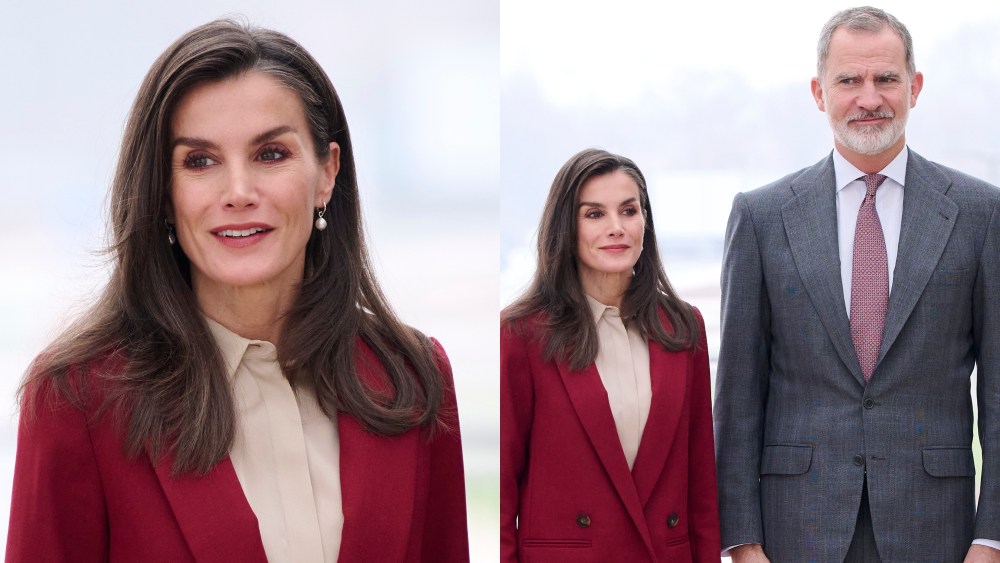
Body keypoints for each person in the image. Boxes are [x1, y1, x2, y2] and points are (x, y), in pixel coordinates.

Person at [6, 19, 469, 563]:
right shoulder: (75, 399)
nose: (239, 192)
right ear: (163, 192)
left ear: (327, 173)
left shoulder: (413, 375)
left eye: (270, 154)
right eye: (199, 161)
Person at [714, 6, 1000, 563]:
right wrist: (741, 542)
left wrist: (991, 540)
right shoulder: (761, 217)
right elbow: (738, 394)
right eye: (849, 80)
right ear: (819, 93)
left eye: (886, 79)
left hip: (938, 533)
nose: (869, 98)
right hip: (794, 531)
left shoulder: (980, 213)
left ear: (914, 88)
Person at [500, 148, 720, 562]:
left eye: (629, 210)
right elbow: (501, 491)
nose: (616, 227)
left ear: (645, 221)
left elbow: (700, 487)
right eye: (595, 214)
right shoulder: (520, 335)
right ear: (567, 226)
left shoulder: (685, 327)